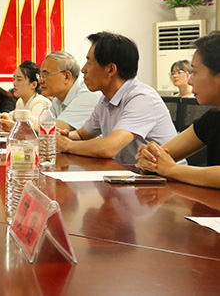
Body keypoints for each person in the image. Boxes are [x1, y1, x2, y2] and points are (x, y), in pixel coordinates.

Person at [56, 32, 177, 163]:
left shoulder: (142, 98)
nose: (83, 70)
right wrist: (65, 136)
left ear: (111, 69)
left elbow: (109, 148)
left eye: (89, 63)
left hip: (161, 175)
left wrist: (67, 145)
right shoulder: (105, 99)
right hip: (130, 172)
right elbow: (82, 134)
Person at [137, 31, 220, 188]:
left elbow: (167, 166)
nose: (190, 81)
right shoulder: (213, 119)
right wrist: (149, 157)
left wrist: (172, 169)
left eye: (194, 72)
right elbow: (159, 156)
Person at [39, 51, 101, 130]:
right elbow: (44, 128)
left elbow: (50, 129)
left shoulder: (88, 94)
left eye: (45, 75)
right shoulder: (57, 100)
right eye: (40, 75)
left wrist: (25, 121)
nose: (40, 81)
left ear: (66, 76)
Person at [0, 61, 51, 132]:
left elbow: (32, 129)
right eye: (14, 79)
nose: (14, 83)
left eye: (19, 80)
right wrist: (3, 116)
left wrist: (12, 125)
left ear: (33, 85)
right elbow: (12, 115)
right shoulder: (20, 101)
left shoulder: (40, 103)